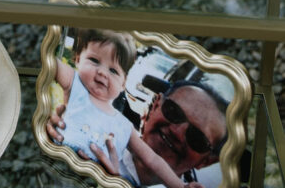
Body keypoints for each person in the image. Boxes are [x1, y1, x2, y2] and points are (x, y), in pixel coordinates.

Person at [46, 30, 208, 188]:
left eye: (113, 70)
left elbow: (152, 160)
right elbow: (48, 61)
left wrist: (179, 185)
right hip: (53, 164)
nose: (102, 72)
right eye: (94, 60)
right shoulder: (76, 86)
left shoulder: (124, 126)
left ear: (123, 84)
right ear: (77, 60)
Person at [48, 67, 227, 187]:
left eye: (197, 138)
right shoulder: (114, 132)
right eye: (173, 111)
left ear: (207, 161)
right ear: (154, 106)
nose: (176, 132)